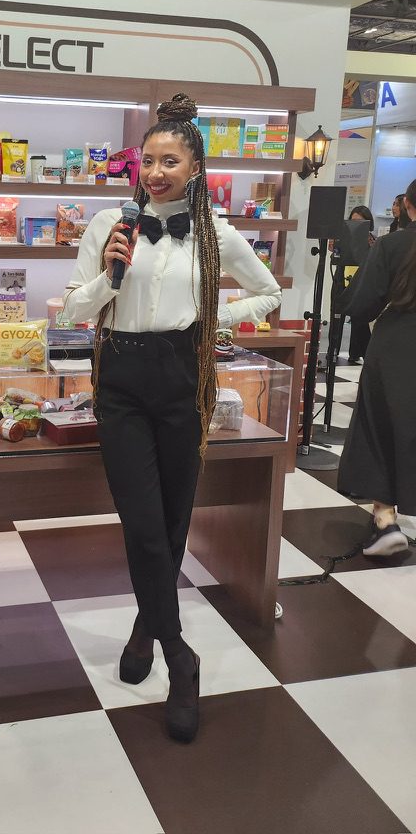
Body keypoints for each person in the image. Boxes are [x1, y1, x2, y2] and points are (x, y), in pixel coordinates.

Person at [63, 93, 281, 742]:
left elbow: (269, 292)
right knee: (142, 522)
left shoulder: (217, 235)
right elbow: (74, 309)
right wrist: (110, 277)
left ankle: (144, 627)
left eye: (170, 161)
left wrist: (215, 320)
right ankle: (180, 656)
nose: (156, 172)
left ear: (195, 168)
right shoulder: (109, 224)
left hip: (184, 379)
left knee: (172, 520)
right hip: (122, 382)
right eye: (148, 160)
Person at [338, 179, 416, 555]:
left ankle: (385, 519)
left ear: (408, 207)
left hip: (397, 346)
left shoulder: (392, 245)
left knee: (380, 424)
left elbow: (363, 303)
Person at [347, 206, 375, 365]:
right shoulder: (345, 239)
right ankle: (335, 352)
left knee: (360, 318)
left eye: (360, 221)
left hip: (364, 282)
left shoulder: (373, 241)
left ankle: (360, 352)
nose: (356, 225)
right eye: (353, 221)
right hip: (345, 280)